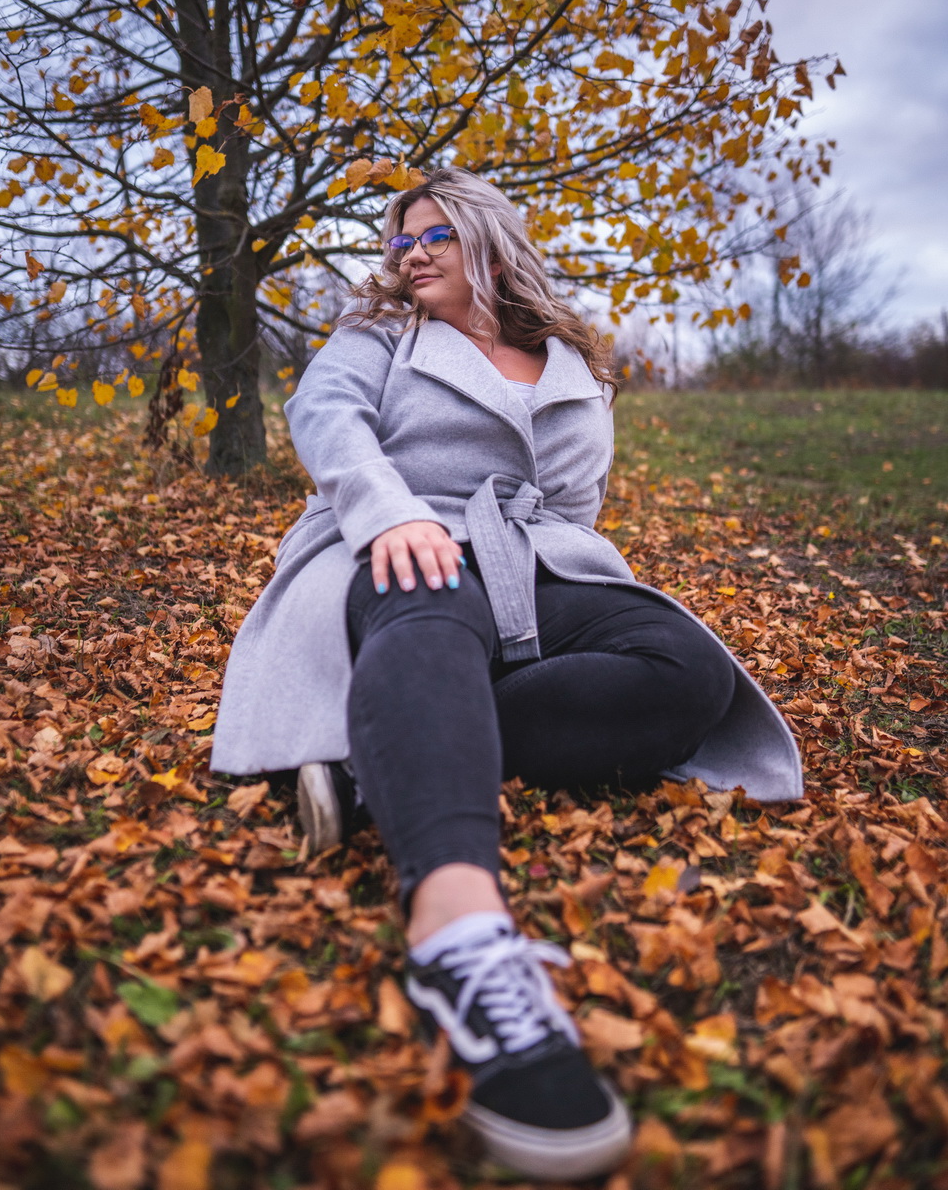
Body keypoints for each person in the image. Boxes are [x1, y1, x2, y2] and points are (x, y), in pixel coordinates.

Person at [211, 168, 802, 1180]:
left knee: (685, 670)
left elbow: (576, 506)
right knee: (428, 602)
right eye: (399, 241)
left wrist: (575, 577)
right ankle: (459, 933)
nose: (411, 253)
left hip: (535, 561)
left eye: (434, 234)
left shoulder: (570, 358)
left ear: (488, 237)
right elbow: (326, 417)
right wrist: (387, 512)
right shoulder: (380, 337)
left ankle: (381, 761)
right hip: (397, 539)